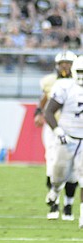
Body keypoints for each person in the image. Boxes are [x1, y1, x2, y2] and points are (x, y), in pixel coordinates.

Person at [34, 50, 78, 221]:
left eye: (69, 63)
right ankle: (54, 203)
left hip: (73, 129)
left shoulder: (77, 82)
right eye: (62, 63)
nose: (65, 67)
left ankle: (68, 205)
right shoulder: (50, 81)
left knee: (75, 168)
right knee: (52, 164)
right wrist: (38, 112)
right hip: (54, 128)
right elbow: (45, 98)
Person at [43, 55, 83, 229]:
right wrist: (58, 131)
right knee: (58, 175)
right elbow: (49, 111)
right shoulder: (64, 86)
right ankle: (55, 191)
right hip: (66, 138)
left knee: (81, 178)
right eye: (80, 72)